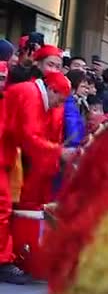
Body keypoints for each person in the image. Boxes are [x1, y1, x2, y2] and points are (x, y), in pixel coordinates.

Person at [1, 71, 74, 282]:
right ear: (51, 90)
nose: (57, 106)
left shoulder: (30, 92)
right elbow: (31, 136)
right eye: (58, 100)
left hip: (6, 152)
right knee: (3, 205)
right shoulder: (31, 96)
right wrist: (58, 152)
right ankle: (3, 261)